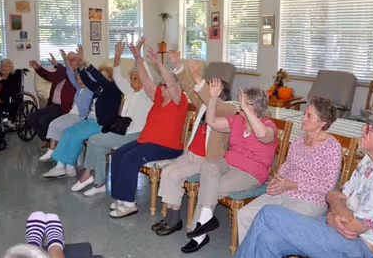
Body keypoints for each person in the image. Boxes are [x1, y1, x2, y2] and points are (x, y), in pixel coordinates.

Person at [236, 109, 373, 258]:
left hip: (365, 249)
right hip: (341, 230)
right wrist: (334, 207)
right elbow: (337, 195)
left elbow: (351, 227)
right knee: (267, 239)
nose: (362, 129)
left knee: (269, 214)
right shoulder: (370, 160)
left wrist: (334, 207)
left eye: (370, 129)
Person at [181, 79, 278, 254]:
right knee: (208, 168)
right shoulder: (237, 121)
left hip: (251, 173)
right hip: (228, 162)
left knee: (211, 186)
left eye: (245, 104)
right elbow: (212, 121)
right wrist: (212, 98)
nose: (240, 107)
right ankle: (206, 222)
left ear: (255, 107)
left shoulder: (269, 126)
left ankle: (199, 233)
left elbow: (262, 135)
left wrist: (247, 110)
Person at [237, 96, 342, 244]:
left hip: (310, 200)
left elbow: (327, 185)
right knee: (245, 214)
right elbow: (288, 165)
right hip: (284, 191)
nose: (303, 118)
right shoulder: (299, 140)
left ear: (322, 122)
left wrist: (292, 184)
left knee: (272, 226)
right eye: (304, 114)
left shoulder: (332, 147)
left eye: (309, 116)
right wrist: (277, 179)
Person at [151, 51, 234, 236]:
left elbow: (214, 102)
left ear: (222, 94)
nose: (209, 93)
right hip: (191, 155)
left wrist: (198, 76)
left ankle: (174, 221)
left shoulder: (229, 109)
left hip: (206, 161)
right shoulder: (205, 105)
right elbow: (189, 88)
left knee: (174, 174)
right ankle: (171, 216)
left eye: (214, 89)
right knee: (167, 172)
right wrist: (178, 65)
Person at [108, 42, 188, 219]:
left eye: (165, 86)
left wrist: (159, 64)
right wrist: (138, 58)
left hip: (167, 146)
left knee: (130, 159)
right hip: (147, 141)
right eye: (161, 86)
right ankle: (121, 197)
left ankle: (129, 204)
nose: (162, 88)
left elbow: (172, 84)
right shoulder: (159, 98)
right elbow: (145, 81)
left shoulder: (179, 101)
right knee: (117, 155)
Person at [71, 40, 153, 196]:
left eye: (136, 78)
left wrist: (138, 56)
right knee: (96, 142)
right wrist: (117, 56)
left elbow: (146, 74)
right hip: (122, 132)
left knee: (95, 141)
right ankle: (99, 183)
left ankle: (87, 176)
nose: (132, 81)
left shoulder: (147, 95)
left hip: (136, 135)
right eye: (132, 78)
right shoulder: (130, 91)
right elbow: (117, 76)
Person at [42, 46, 122, 178]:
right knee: (68, 132)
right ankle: (60, 166)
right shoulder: (98, 88)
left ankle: (66, 164)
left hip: (102, 124)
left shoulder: (114, 89)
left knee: (77, 135)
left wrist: (86, 64)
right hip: (90, 120)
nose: (100, 80)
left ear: (110, 79)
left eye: (104, 77)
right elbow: (86, 80)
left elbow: (98, 78)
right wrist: (80, 67)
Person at [39, 50, 94, 162]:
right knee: (53, 124)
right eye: (78, 80)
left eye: (82, 79)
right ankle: (51, 150)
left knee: (60, 127)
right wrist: (67, 62)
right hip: (71, 114)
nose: (80, 81)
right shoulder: (79, 88)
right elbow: (70, 75)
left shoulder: (90, 90)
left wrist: (81, 61)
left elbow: (90, 77)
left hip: (80, 117)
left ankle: (57, 151)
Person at [28, 53, 76, 150]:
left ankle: (50, 141)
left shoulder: (77, 75)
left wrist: (57, 65)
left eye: (72, 60)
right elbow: (49, 76)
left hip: (64, 108)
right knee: (31, 117)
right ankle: (46, 139)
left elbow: (67, 72)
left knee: (44, 120)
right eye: (67, 59)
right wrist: (38, 68)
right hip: (53, 105)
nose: (69, 62)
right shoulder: (61, 73)